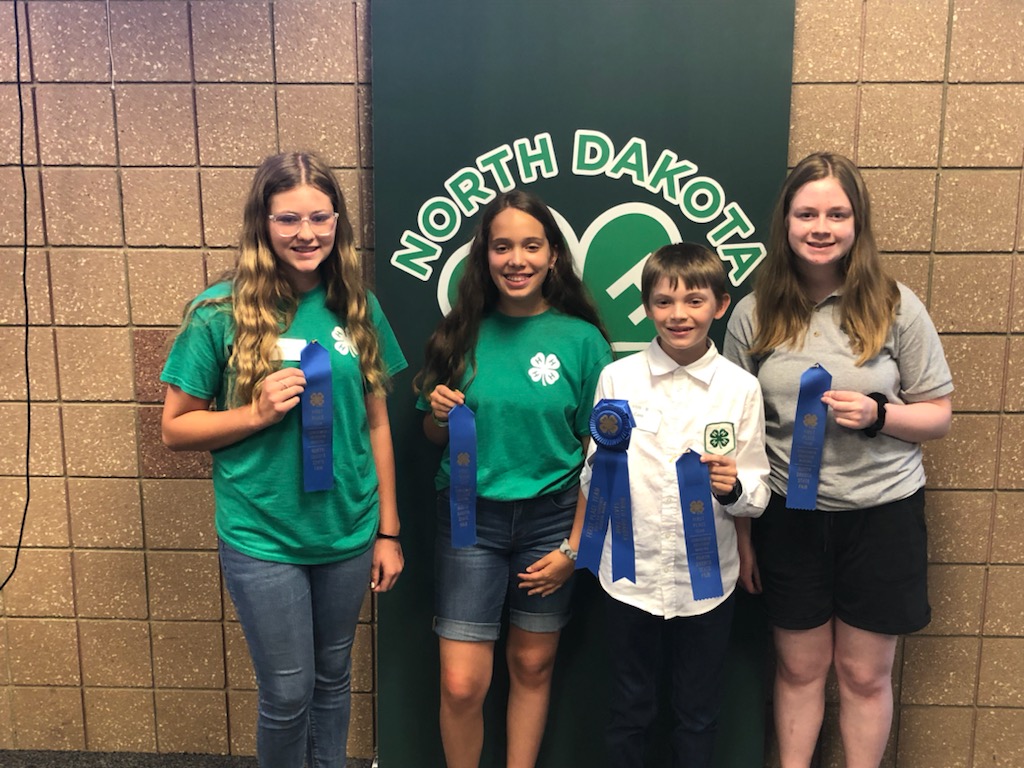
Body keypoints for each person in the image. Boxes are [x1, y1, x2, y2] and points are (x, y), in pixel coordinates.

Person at [160, 151, 407, 768]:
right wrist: (256, 414)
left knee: (333, 681)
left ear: (337, 221)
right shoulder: (219, 312)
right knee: (288, 693)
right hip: (262, 533)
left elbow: (377, 424)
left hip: (347, 532)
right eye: (288, 218)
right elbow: (174, 428)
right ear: (262, 223)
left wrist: (388, 530)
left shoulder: (358, 306)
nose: (306, 233)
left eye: (320, 217)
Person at [723, 152, 953, 768]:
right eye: (806, 213)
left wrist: (881, 415)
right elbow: (739, 434)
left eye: (836, 213)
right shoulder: (752, 313)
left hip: (881, 516)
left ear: (857, 223)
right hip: (788, 518)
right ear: (786, 222)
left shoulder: (896, 305)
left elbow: (939, 414)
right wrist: (744, 538)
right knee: (799, 670)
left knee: (864, 676)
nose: (820, 226)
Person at [547, 243, 771, 767]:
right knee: (628, 710)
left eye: (694, 301)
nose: (679, 315)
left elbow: (757, 491)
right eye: (664, 302)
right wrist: (581, 547)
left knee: (697, 715)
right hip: (629, 576)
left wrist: (734, 488)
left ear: (720, 304)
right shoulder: (617, 380)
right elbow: (594, 475)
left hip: (708, 583)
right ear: (646, 306)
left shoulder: (741, 389)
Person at [415, 189, 612, 768]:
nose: (516, 259)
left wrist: (575, 547)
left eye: (531, 245)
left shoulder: (583, 342)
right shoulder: (459, 333)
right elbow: (432, 436)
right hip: (468, 519)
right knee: (460, 684)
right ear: (486, 255)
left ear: (554, 256)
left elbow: (600, 455)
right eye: (503, 246)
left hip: (551, 520)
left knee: (532, 665)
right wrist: (438, 417)